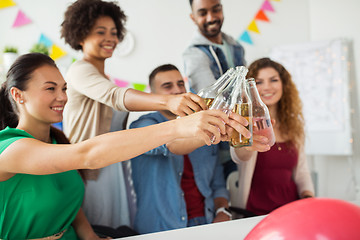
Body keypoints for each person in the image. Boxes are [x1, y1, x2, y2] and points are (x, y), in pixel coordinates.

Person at [0, 53, 246, 239]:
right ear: (18, 95)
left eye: (64, 88)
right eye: (50, 89)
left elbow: (68, 201)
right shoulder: (10, 149)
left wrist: (90, 236)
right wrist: (181, 126)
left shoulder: (57, 142)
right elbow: (88, 154)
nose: (63, 97)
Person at [60, 0, 209, 229]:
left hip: (115, 172)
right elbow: (115, 96)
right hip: (90, 173)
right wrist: (169, 101)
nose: (110, 38)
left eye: (113, 32)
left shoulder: (104, 78)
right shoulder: (79, 70)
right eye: (101, 32)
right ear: (80, 35)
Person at [130, 64, 238, 234]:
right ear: (152, 94)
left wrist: (222, 211)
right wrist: (213, 133)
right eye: (167, 86)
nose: (177, 90)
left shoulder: (204, 122)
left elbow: (217, 183)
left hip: (208, 224)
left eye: (181, 84)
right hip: (161, 229)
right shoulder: (142, 126)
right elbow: (172, 145)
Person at [231, 58, 315, 216]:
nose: (267, 87)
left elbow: (302, 172)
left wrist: (308, 196)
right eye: (259, 82)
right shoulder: (242, 120)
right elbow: (239, 157)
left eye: (273, 80)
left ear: (284, 84)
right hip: (254, 214)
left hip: (291, 211)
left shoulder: (294, 124)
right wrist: (249, 140)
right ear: (249, 87)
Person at [183, 0, 247, 180]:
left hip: (243, 138)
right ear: (193, 17)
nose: (211, 17)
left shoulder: (235, 46)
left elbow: (248, 88)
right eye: (203, 13)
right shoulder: (194, 54)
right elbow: (213, 101)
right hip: (214, 146)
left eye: (216, 10)